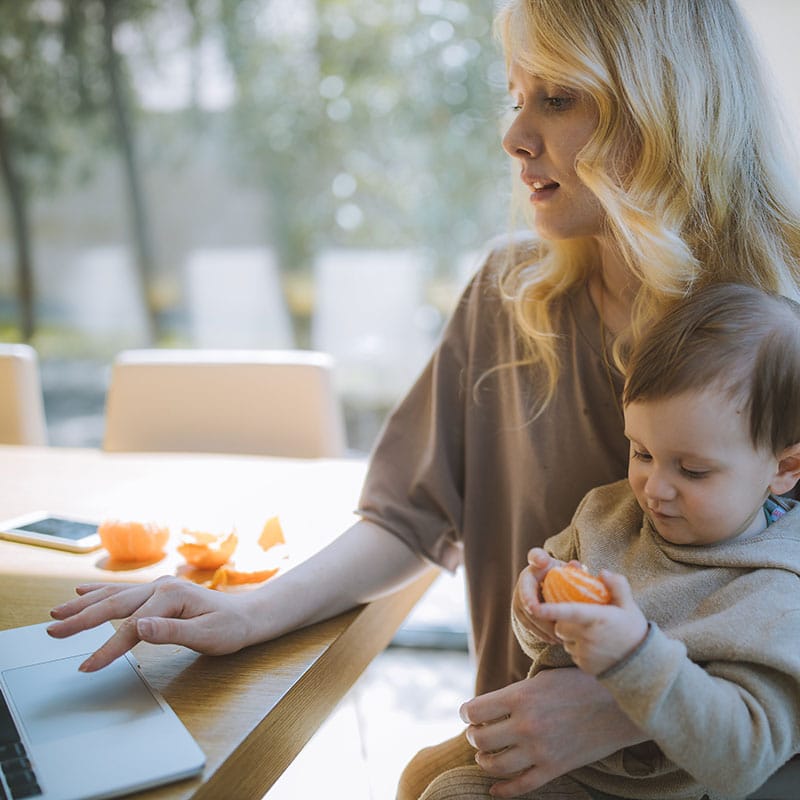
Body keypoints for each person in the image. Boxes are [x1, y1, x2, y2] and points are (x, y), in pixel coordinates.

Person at [46, 0, 800, 797]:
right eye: (517, 95)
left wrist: (631, 704)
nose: (514, 136)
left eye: (558, 97)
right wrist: (248, 612)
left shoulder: (783, 336)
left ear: (662, 107)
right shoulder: (508, 297)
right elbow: (409, 517)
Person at [422, 282, 800, 800]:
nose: (653, 488)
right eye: (642, 452)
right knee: (435, 785)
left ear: (784, 468)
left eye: (692, 470)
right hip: (560, 766)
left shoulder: (775, 592)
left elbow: (743, 759)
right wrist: (536, 613)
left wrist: (635, 656)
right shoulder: (608, 513)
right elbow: (544, 647)